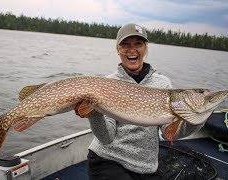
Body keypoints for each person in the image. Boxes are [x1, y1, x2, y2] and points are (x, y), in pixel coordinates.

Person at [75, 23, 207, 180]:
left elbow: (167, 132)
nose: (132, 50)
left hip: (146, 167)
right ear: (118, 49)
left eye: (138, 43)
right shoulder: (107, 84)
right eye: (125, 44)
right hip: (107, 160)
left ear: (146, 48)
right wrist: (94, 113)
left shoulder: (162, 84)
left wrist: (196, 120)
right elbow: (106, 138)